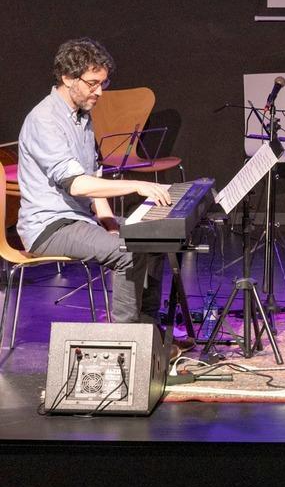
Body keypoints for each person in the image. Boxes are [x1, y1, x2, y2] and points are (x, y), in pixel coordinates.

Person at [16, 38, 175, 327]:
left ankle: (151, 333)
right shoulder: (44, 120)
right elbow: (77, 185)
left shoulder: (82, 117)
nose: (99, 92)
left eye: (103, 83)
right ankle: (129, 340)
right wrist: (136, 185)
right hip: (49, 227)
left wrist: (111, 224)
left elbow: (94, 178)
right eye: (92, 83)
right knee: (126, 252)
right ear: (67, 77)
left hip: (81, 220)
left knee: (155, 238)